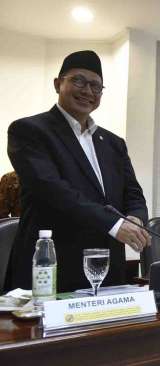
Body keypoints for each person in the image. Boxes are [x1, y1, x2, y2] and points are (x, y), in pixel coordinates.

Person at [7, 50, 150, 292]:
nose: (87, 91)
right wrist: (115, 224)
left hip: (108, 273)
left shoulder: (114, 143)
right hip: (54, 268)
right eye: (78, 81)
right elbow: (53, 191)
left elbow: (133, 194)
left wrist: (135, 218)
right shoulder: (29, 131)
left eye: (96, 86)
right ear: (58, 83)